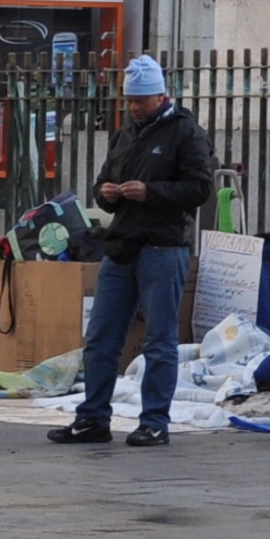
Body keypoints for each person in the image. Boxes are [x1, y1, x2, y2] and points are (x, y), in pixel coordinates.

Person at [49, 53, 218, 449]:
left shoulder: (186, 132)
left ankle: (155, 421)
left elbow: (199, 189)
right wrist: (105, 194)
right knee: (101, 337)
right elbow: (103, 182)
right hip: (122, 246)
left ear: (161, 96)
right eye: (129, 100)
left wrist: (150, 192)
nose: (134, 107)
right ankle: (93, 418)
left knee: (159, 340)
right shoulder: (126, 133)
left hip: (163, 247)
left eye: (140, 100)